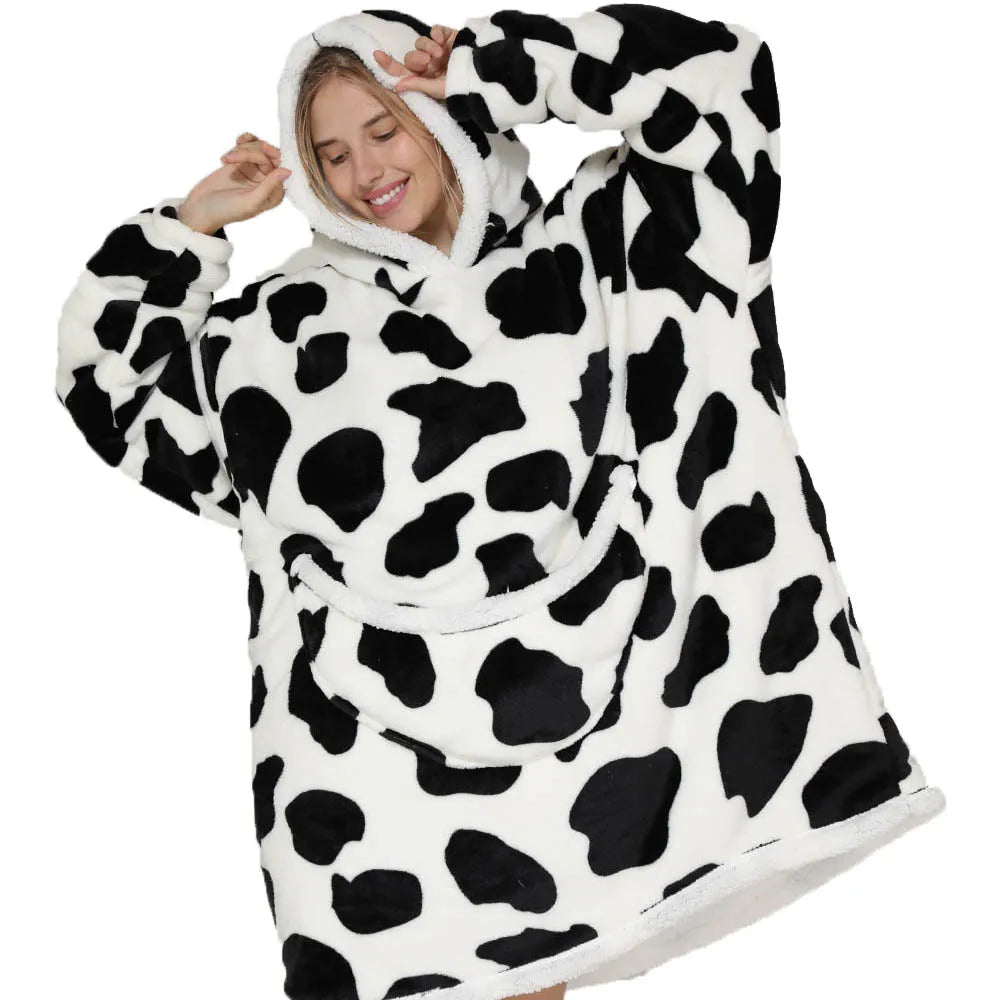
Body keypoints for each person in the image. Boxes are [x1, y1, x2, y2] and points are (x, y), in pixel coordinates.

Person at [54, 7, 946, 1000]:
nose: (363, 170)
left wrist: (506, 68)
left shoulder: (616, 240)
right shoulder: (270, 339)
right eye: (330, 153)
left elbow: (717, 82)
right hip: (399, 784)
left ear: (438, 111)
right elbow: (109, 393)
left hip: (653, 722)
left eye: (385, 127)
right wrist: (189, 230)